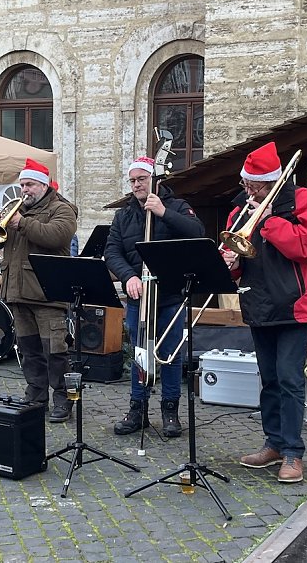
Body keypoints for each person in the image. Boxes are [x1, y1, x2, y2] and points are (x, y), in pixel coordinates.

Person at [221, 142, 307, 483]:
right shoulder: (239, 211)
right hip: (259, 303)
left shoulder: (301, 201)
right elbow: (236, 262)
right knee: (269, 380)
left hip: (294, 305)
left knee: (290, 380)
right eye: (246, 185)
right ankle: (274, 443)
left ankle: (293, 452)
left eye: (255, 186)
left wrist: (268, 222)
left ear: (271, 182)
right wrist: (230, 264)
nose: (248, 192)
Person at [104, 156, 205, 438]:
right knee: (139, 355)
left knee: (169, 354)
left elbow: (198, 233)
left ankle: (170, 409)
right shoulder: (124, 216)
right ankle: (138, 409)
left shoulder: (178, 207)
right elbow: (112, 252)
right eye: (133, 181)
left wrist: (163, 212)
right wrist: (128, 276)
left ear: (155, 180)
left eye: (142, 179)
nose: (137, 185)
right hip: (139, 297)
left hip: (170, 296)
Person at [0, 158, 78, 422]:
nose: (24, 190)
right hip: (18, 291)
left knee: (55, 351)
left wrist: (22, 223)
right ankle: (36, 393)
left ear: (42, 185)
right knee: (28, 349)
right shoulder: (18, 211)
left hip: (46, 293)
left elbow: (57, 236)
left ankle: (63, 399)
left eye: (29, 184)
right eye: (22, 185)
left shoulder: (61, 208)